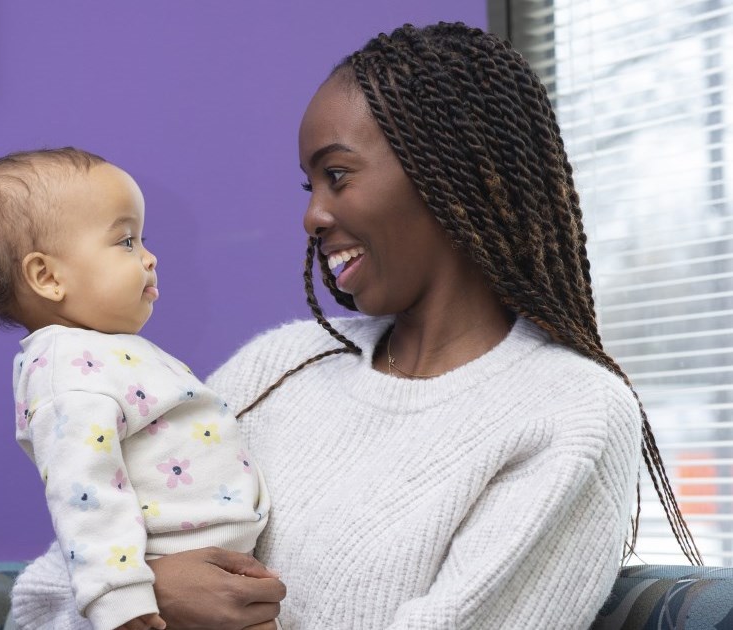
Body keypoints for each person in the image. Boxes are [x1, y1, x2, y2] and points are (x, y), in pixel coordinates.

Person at [141, 21, 702, 629]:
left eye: (338, 174)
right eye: (310, 184)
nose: (312, 214)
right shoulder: (278, 365)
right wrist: (142, 595)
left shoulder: (569, 413)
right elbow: (49, 594)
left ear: (448, 168)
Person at [0, 148, 275, 630]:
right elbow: (85, 488)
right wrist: (118, 596)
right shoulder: (67, 369)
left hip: (220, 563)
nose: (150, 257)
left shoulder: (109, 352)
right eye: (126, 241)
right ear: (48, 277)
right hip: (168, 576)